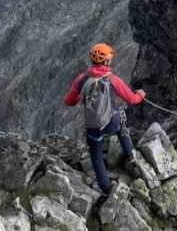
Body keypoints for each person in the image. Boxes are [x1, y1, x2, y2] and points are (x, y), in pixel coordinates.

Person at [62, 43, 145, 196]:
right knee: (121, 121)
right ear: (106, 61)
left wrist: (80, 97)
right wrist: (141, 94)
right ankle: (131, 155)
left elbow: (68, 101)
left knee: (96, 156)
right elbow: (132, 99)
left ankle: (106, 189)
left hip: (94, 126)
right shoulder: (113, 80)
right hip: (112, 122)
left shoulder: (81, 80)